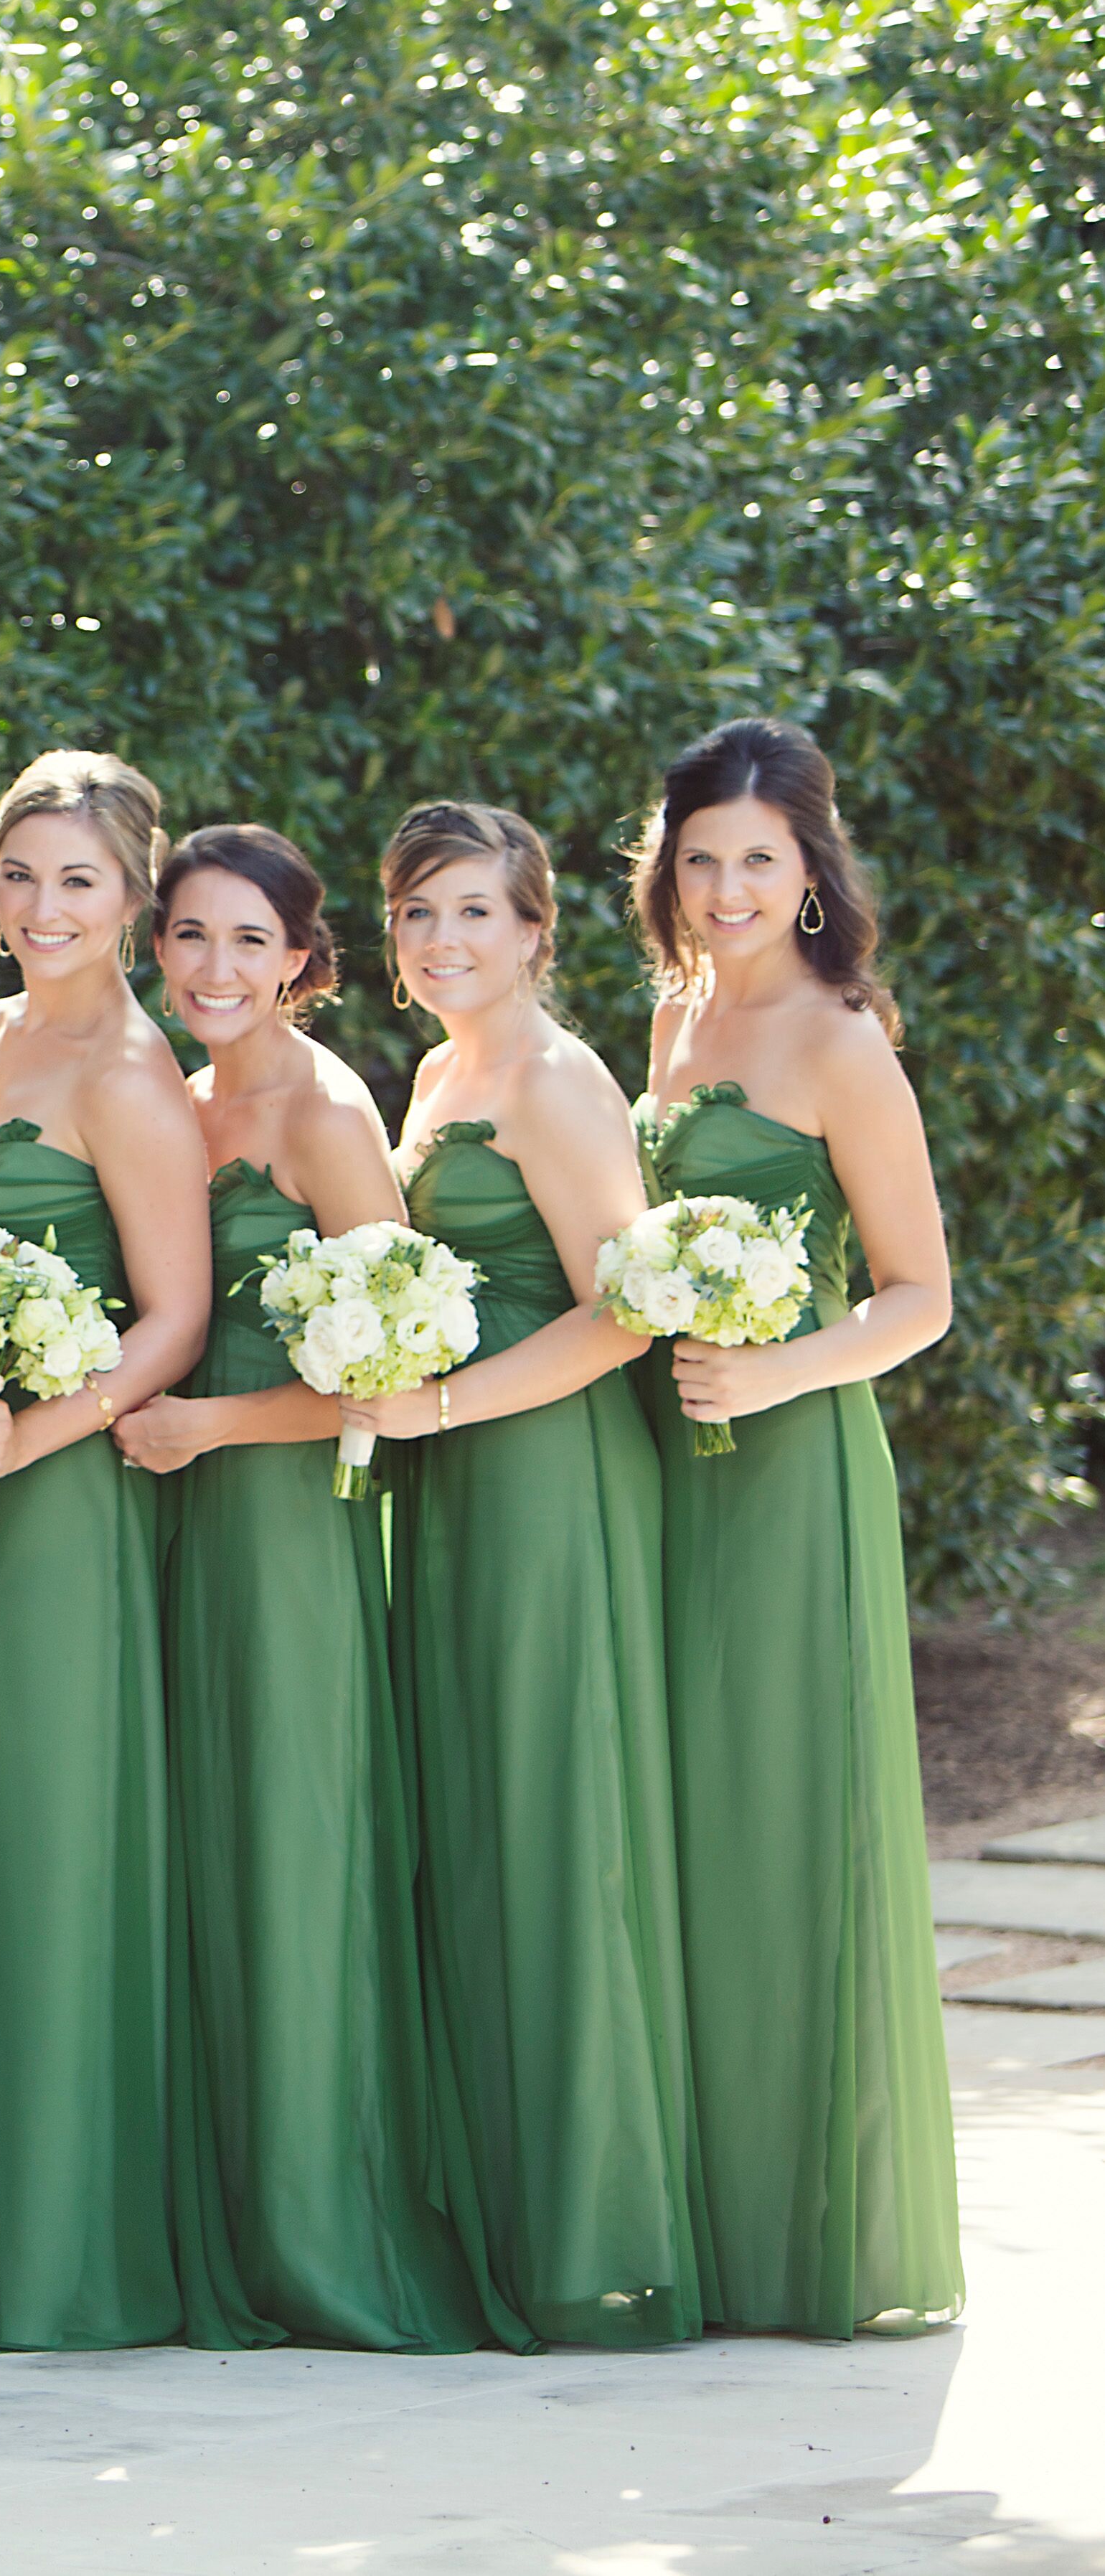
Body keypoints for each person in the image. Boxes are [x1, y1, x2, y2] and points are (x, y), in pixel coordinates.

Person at [113, 822, 504, 2353]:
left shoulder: (325, 1106)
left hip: (279, 1512)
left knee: (292, 1843)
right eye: (190, 938)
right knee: (205, 1844)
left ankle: (318, 2224)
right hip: (162, 1503)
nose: (214, 968)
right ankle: (215, 2201)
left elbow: (408, 1363)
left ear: (300, 959)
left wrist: (215, 1424)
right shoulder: (177, 1094)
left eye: (246, 942)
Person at [347, 798, 702, 2351]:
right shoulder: (433, 1073)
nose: (441, 943)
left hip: (546, 1480)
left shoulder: (556, 1083)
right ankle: (500, 2198)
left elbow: (623, 1313)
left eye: (473, 913)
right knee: (477, 1824)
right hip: (451, 1481)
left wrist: (430, 1404)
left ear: (538, 930)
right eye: (418, 915)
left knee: (556, 1827)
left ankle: (590, 2239)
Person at [0, 751, 265, 2354]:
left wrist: (34, 1439)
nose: (43, 909)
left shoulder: (131, 1076)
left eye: (77, 881)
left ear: (133, 895)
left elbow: (176, 1316)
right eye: (19, 877)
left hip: (59, 1496)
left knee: (57, 1836)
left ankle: (75, 2243)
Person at [631, 718, 960, 2337]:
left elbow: (921, 1295)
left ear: (811, 871)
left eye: (757, 858)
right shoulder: (674, 1013)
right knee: (680, 1822)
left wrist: (776, 1371)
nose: (725, 886)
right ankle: (696, 2206)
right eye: (700, 857)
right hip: (660, 1462)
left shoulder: (839, 1041)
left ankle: (800, 2230)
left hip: (787, 1469)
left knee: (776, 1817)